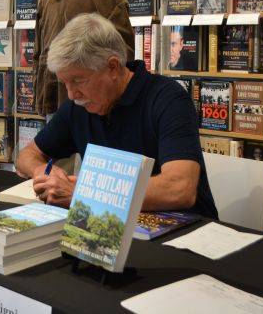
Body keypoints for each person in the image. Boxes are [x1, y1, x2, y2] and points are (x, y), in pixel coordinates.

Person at [16, 13, 218, 218]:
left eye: (78, 81)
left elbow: (180, 189)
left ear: (112, 67)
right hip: (112, 229)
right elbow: (26, 155)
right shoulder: (78, 106)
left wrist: (83, 194)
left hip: (182, 235)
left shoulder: (168, 99)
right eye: (64, 83)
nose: (71, 94)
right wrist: (41, 171)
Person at [33, 0, 134, 116]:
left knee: (56, 145)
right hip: (94, 98)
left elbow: (38, 53)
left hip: (55, 95)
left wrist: (42, 100)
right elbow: (124, 56)